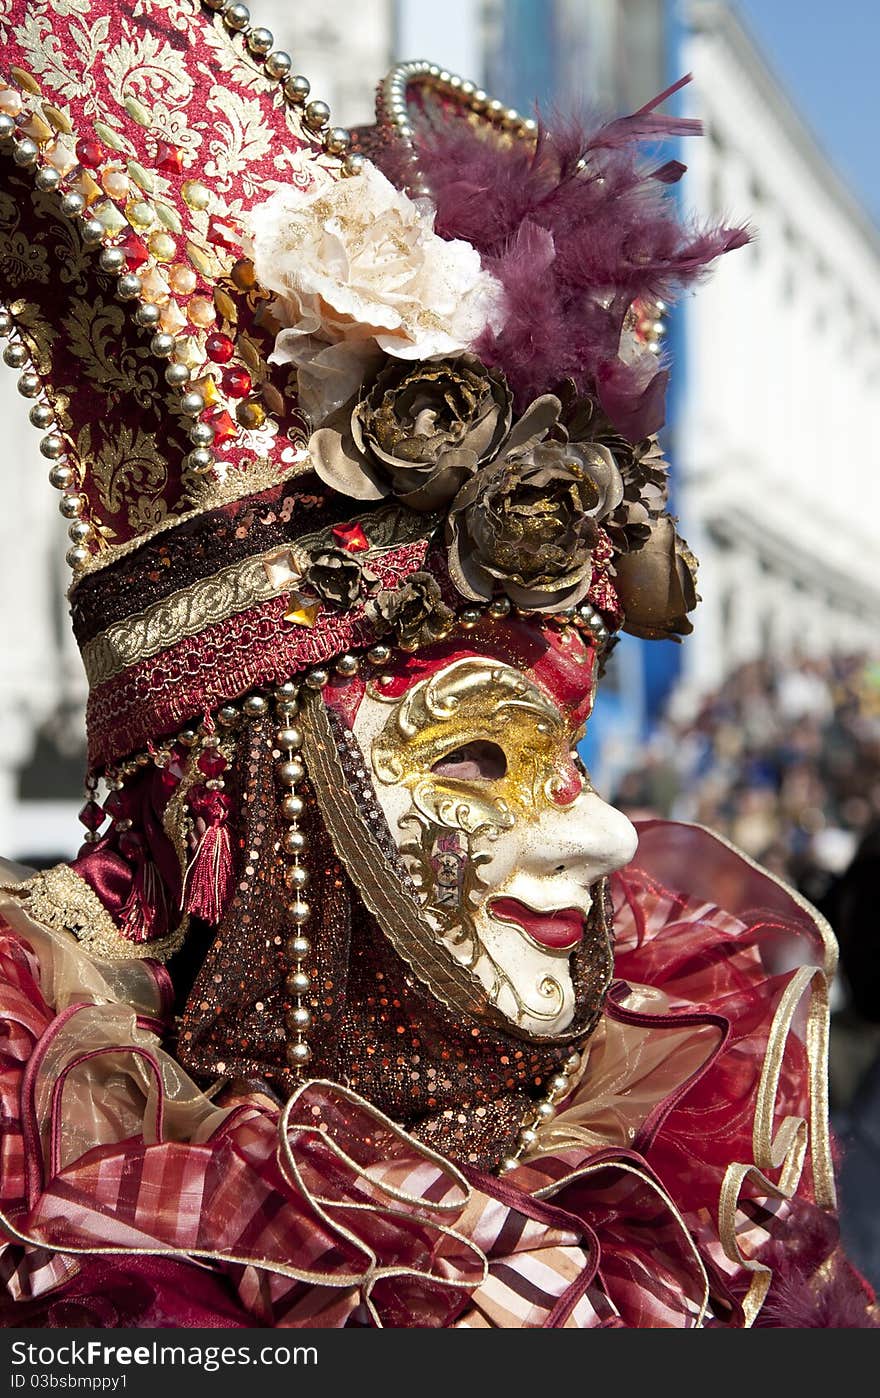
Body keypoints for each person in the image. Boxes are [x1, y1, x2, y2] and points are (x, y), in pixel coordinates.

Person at [0, 0, 871, 1328]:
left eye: (565, 757)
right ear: (243, 801)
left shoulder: (656, 1205)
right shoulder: (75, 1230)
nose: (600, 832)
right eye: (477, 754)